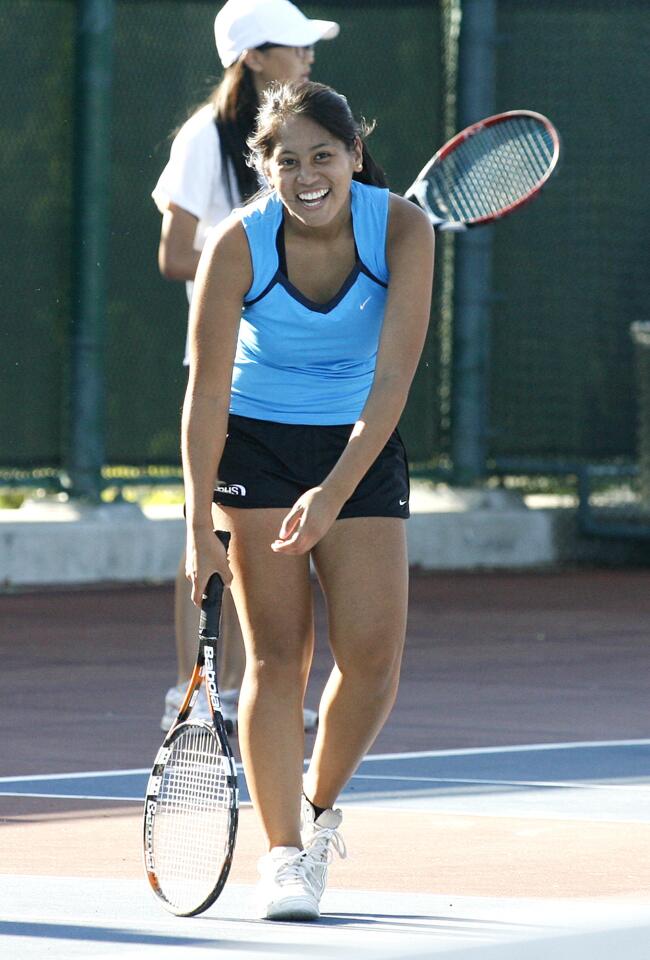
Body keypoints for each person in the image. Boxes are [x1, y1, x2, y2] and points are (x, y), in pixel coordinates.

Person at [182, 80, 435, 921]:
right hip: (255, 441)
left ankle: (319, 815)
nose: (307, 175)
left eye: (323, 155)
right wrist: (197, 523)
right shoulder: (237, 243)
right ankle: (283, 855)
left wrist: (331, 494)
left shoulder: (401, 227)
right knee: (276, 658)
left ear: (353, 155)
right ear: (265, 168)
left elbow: (394, 379)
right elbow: (207, 393)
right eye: (286, 160)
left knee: (373, 663)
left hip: (359, 442)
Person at [152, 0, 339, 734]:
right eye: (295, 47)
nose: (308, 58)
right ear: (256, 57)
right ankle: (192, 696)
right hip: (227, 371)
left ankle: (252, 698)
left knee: (278, 543)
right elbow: (173, 253)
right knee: (210, 533)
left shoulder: (320, 142)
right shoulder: (206, 137)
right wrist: (256, 266)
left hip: (299, 380)